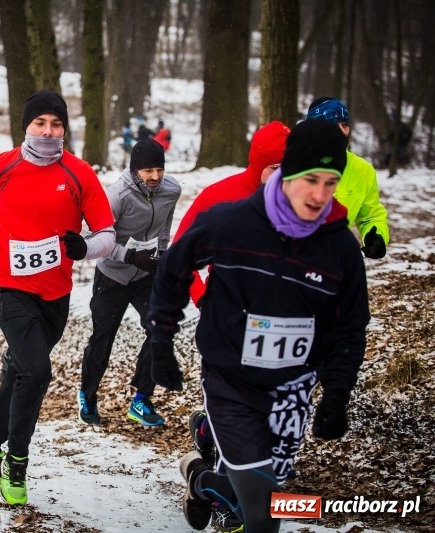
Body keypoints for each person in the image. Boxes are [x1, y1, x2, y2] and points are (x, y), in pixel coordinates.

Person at [148, 119, 370, 533]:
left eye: (331, 181)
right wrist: (161, 336)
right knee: (264, 514)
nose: (320, 194)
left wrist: (337, 392)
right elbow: (176, 265)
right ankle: (217, 472)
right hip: (230, 379)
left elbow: (350, 326)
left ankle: (202, 480)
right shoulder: (232, 222)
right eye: (309, 180)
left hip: (292, 389)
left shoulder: (340, 248)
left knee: (267, 491)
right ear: (286, 173)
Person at [0, 89, 115, 506]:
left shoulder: (79, 173)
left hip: (55, 295)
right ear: (26, 126)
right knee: (38, 372)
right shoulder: (1, 166)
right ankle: (15, 463)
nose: (47, 130)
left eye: (56, 124)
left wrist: (86, 248)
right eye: (40, 123)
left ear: (64, 131)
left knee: (23, 371)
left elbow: (107, 235)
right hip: (7, 286)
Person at [78, 139, 182, 427]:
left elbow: (165, 224)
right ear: (135, 170)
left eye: (159, 169)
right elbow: (92, 239)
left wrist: (161, 254)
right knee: (103, 336)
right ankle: (87, 393)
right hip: (113, 275)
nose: (155, 177)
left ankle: (141, 398)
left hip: (147, 274)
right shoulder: (117, 196)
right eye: (148, 170)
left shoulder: (171, 190)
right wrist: (128, 255)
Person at [175, 121, 290, 308]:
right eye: (275, 168)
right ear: (258, 165)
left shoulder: (301, 202)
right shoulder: (219, 196)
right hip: (227, 310)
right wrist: (202, 297)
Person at [306, 97, 390, 259]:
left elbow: (370, 216)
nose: (342, 131)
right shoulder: (292, 163)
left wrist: (376, 235)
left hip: (334, 261)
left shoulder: (362, 170)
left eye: (344, 125)